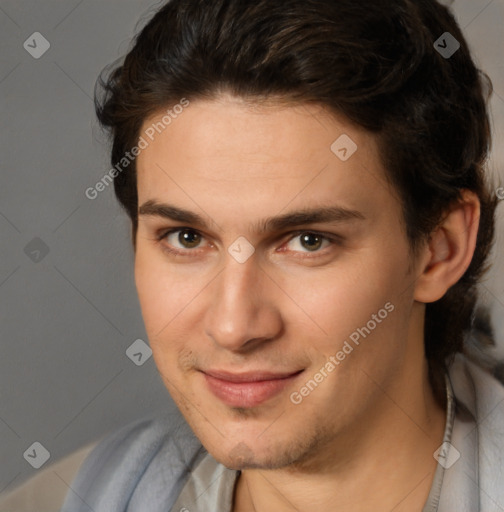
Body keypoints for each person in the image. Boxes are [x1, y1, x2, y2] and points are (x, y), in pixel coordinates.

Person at [60, 0, 504, 510]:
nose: (234, 326)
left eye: (308, 241)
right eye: (186, 237)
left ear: (438, 251)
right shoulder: (75, 496)